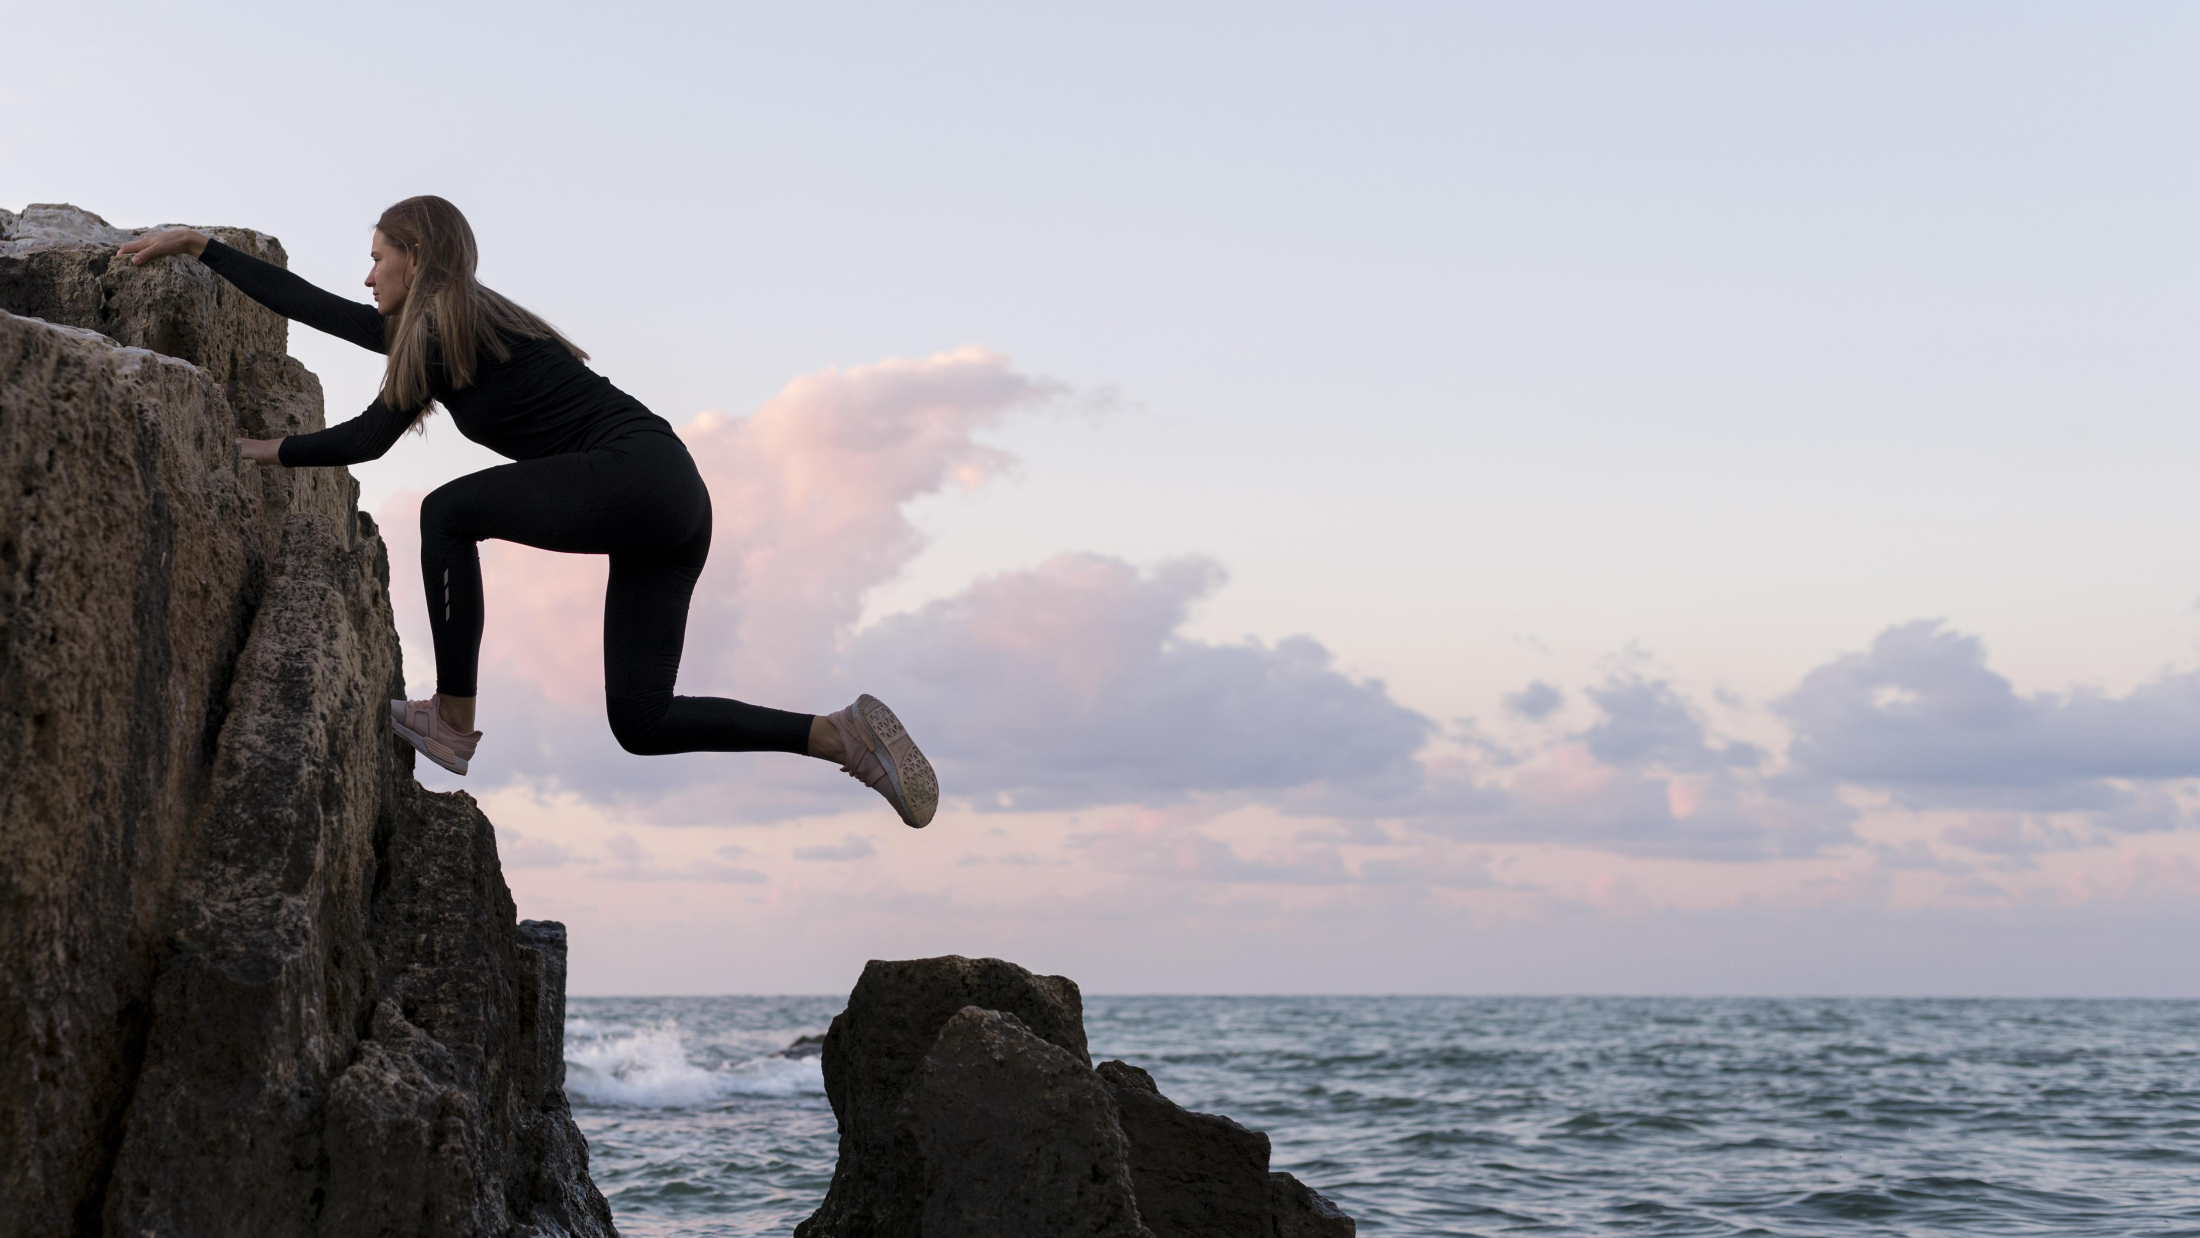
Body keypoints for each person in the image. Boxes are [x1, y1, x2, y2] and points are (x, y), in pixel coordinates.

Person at [119, 197, 937, 828]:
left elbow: (370, 439)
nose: (368, 278)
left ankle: (452, 717)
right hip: (672, 498)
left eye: (377, 259)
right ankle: (839, 735)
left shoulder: (445, 323)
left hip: (637, 474)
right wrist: (201, 247)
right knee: (643, 722)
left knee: (447, 512)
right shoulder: (456, 322)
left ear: (417, 256)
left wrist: (261, 450)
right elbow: (317, 307)